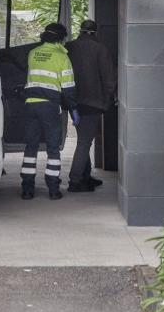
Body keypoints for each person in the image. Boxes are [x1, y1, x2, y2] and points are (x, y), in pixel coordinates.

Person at [19, 22, 77, 201]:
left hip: (31, 104)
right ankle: (53, 189)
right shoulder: (62, 57)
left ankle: (27, 190)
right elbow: (68, 87)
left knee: (31, 147)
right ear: (60, 38)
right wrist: (73, 108)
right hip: (50, 106)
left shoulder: (33, 53)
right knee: (53, 148)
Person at [65, 19, 116, 192]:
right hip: (93, 101)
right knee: (84, 142)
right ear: (96, 32)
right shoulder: (100, 49)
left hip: (73, 101)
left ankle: (85, 176)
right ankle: (75, 180)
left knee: (83, 139)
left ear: (80, 31)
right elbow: (108, 77)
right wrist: (110, 96)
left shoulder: (69, 47)